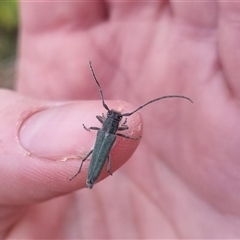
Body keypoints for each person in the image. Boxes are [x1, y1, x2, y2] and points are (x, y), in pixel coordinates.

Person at [1, 1, 240, 239]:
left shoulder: (107, 130)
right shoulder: (114, 131)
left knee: (97, 155)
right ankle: (85, 176)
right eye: (112, 117)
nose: (112, 117)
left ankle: (85, 176)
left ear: (110, 121)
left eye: (113, 118)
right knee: (96, 156)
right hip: (91, 173)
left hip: (99, 157)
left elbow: (107, 128)